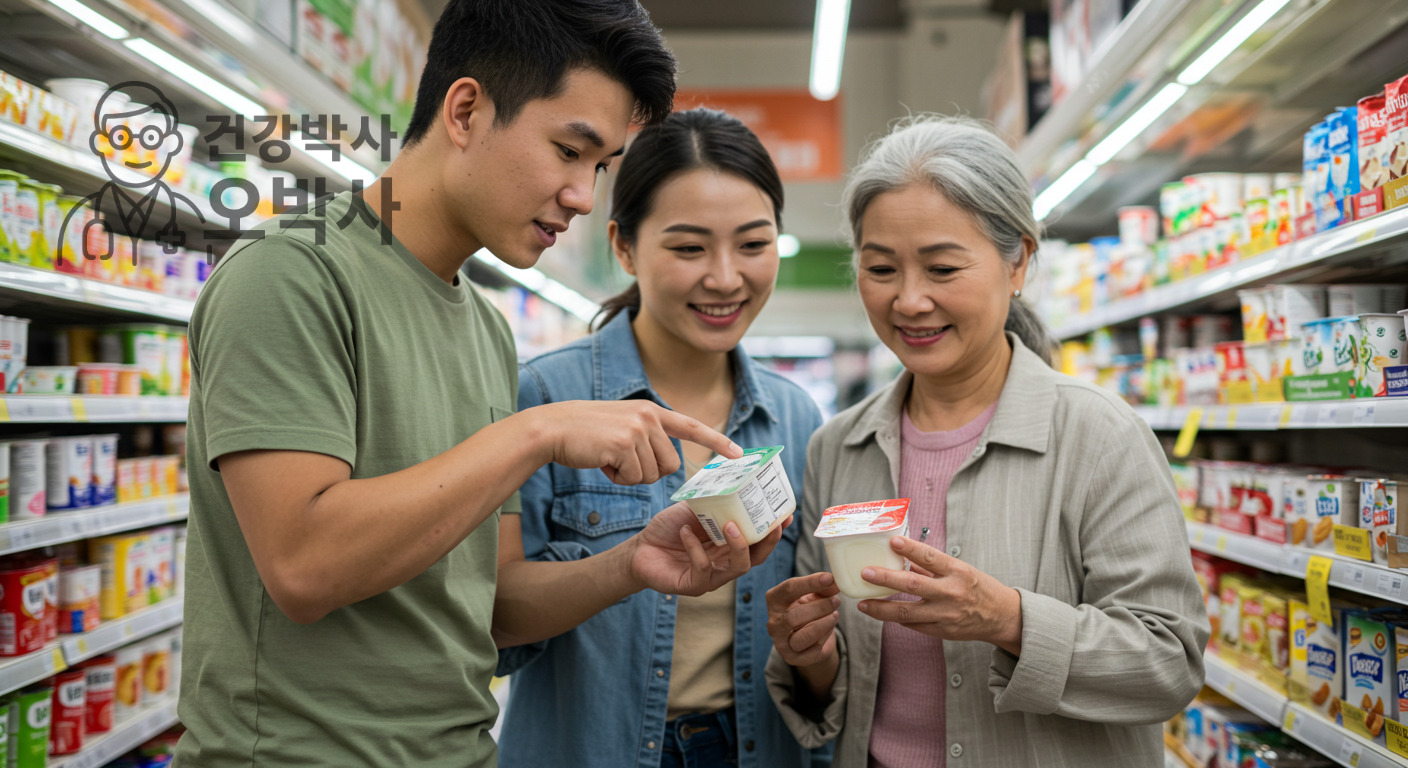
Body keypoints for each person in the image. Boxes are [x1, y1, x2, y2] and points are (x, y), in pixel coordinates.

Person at [175, 3, 790, 766]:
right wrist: (535, 434)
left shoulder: (486, 326)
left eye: (599, 168)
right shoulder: (293, 273)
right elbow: (304, 566)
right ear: (465, 110)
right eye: (569, 150)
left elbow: (492, 606)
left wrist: (632, 563)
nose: (580, 194)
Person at [763, 115, 1209, 767]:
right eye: (881, 268)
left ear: (1019, 260)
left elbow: (1170, 664)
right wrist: (812, 658)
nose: (910, 300)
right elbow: (839, 692)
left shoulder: (1099, 437)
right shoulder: (838, 448)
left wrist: (1007, 618)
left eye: (943, 268)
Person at [495, 108, 826, 768]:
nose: (727, 278)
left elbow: (810, 644)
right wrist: (624, 568)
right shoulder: (545, 399)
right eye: (688, 248)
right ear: (623, 246)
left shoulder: (796, 418)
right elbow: (497, 623)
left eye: (754, 245)